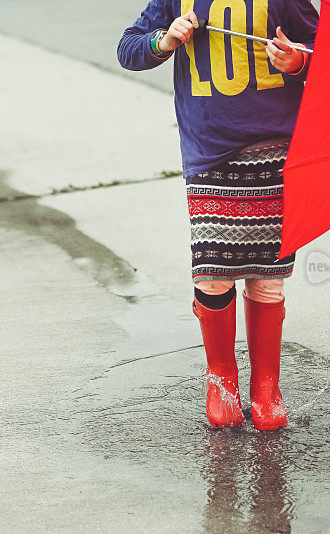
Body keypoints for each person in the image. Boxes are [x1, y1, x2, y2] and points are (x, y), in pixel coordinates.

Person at [118, 0, 318, 430]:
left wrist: (298, 59)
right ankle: (221, 379)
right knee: (213, 270)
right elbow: (128, 48)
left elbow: (326, 54)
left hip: (276, 150)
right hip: (209, 151)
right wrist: (165, 39)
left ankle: (267, 387)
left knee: (268, 274)